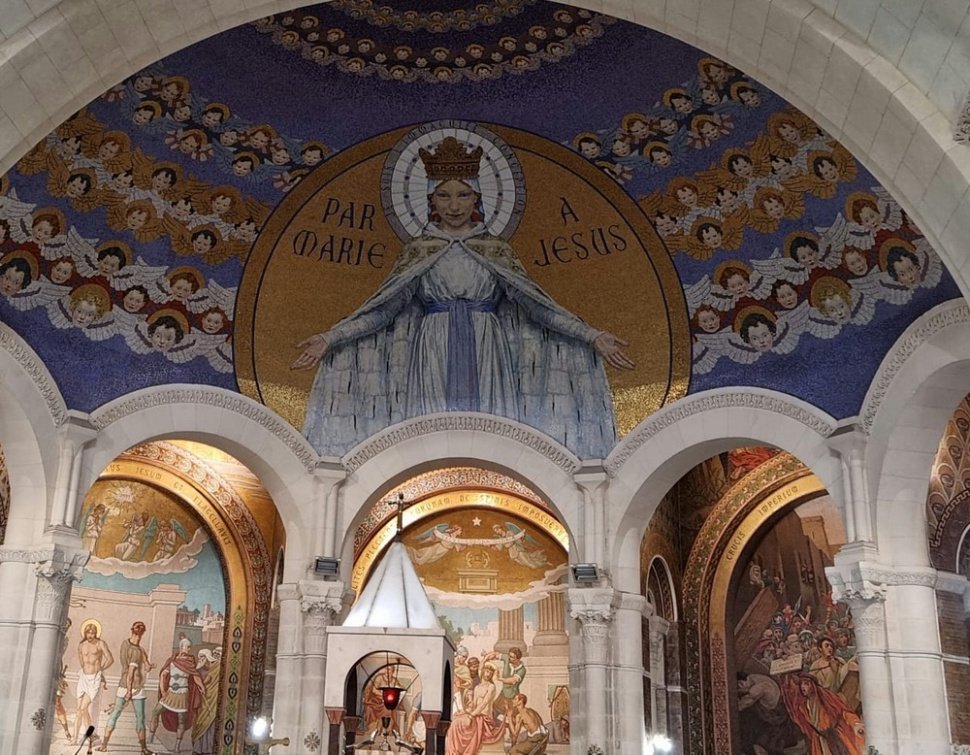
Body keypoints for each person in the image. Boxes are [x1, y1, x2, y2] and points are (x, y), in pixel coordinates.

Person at [292, 135, 632, 459]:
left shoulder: (495, 250)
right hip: (434, 348)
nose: (454, 206)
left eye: (463, 195)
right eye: (443, 196)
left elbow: (538, 307)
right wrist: (331, 337)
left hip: (487, 347)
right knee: (431, 436)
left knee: (492, 435)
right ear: (431, 200)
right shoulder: (420, 250)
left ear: (477, 198)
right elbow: (382, 310)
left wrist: (591, 335)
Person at [99, 621, 154, 754]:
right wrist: (129, 692)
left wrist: (148, 665)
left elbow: (146, 665)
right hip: (133, 687)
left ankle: (104, 745)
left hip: (123, 685)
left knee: (115, 714)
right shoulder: (136, 651)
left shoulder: (126, 644)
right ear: (142, 633)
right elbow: (130, 674)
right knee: (140, 717)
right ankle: (143, 749)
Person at [149, 636, 205, 752]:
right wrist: (163, 691)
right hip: (170, 693)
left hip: (182, 694)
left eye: (190, 647)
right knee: (155, 712)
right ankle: (151, 736)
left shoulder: (190, 662)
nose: (189, 649)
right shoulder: (172, 661)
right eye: (187, 647)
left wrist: (202, 686)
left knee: (181, 720)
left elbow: (195, 676)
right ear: (181, 647)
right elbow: (163, 675)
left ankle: (177, 745)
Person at [444, 663, 505, 754]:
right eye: (487, 671)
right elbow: (473, 705)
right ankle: (454, 751)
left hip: (484, 717)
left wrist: (471, 715)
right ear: (483, 671)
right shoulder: (477, 687)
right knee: (455, 720)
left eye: (491, 673)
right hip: (476, 715)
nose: (488, 674)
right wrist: (464, 712)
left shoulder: (491, 687)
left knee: (458, 724)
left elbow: (484, 704)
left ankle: (458, 751)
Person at [76, 620, 114, 744]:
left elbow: (110, 659)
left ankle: (90, 735)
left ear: (96, 633)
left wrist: (100, 669)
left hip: (94, 679)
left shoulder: (100, 643)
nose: (90, 635)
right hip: (83, 678)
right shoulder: (81, 645)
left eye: (92, 633)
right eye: (88, 633)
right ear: (85, 633)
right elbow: (81, 661)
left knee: (83, 708)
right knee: (80, 710)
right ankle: (84, 736)